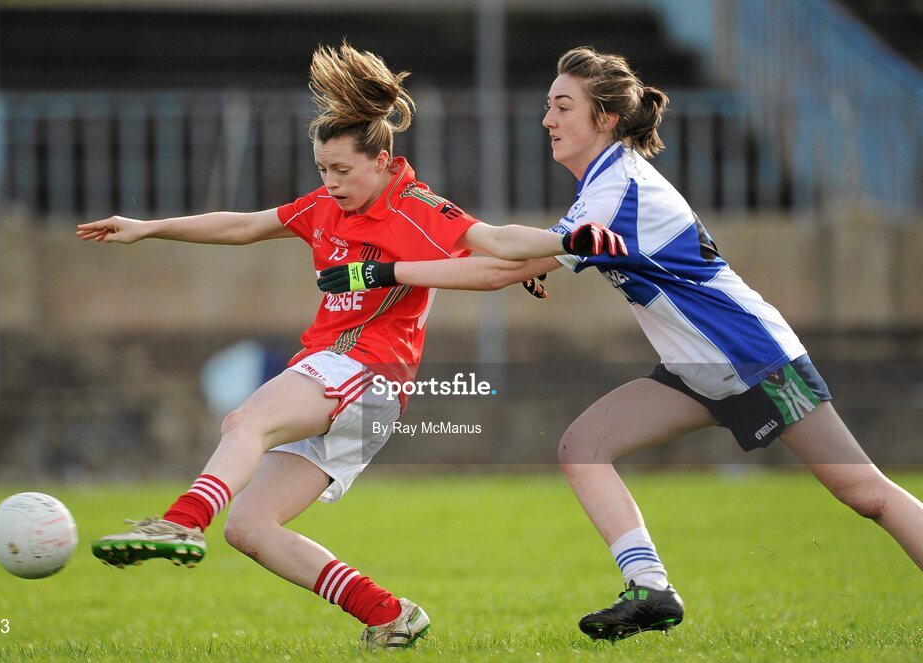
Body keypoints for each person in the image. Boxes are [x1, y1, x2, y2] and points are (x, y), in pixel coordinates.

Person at [317, 45, 923, 641]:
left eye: (563, 106)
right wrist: (519, 257)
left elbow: (506, 261)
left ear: (604, 118)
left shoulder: (619, 188)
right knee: (584, 446)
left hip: (750, 354)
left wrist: (388, 269)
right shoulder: (601, 189)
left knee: (864, 493)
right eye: (548, 106)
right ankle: (651, 590)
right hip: (695, 369)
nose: (548, 120)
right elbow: (528, 256)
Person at [75, 42, 607, 649]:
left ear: (382, 161)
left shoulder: (414, 207)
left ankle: (180, 524)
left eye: (342, 171)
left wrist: (561, 244)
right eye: (322, 170)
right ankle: (389, 614)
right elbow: (246, 224)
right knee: (249, 527)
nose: (329, 184)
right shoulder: (327, 206)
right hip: (341, 382)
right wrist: (150, 228)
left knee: (245, 420)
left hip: (365, 372)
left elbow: (491, 241)